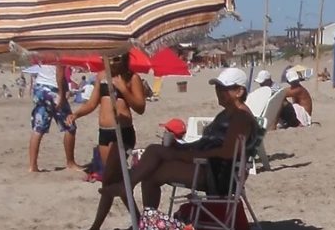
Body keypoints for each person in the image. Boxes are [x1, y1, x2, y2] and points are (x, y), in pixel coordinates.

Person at [101, 68, 260, 213]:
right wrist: (181, 147)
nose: (219, 91)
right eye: (217, 87)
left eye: (224, 88)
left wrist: (183, 154)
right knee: (153, 161)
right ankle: (145, 215)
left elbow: (225, 153)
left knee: (154, 161)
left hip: (217, 175)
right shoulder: (227, 114)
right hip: (208, 167)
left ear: (239, 91)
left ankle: (132, 196)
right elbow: (208, 144)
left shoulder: (241, 117)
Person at [68, 52, 147, 230]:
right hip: (104, 133)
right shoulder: (102, 76)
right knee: (116, 181)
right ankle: (139, 222)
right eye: (109, 57)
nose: (113, 61)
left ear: (125, 58)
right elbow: (92, 103)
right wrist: (76, 114)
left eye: (117, 58)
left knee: (110, 180)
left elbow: (140, 107)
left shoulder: (131, 77)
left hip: (122, 133)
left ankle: (96, 227)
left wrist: (124, 89)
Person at [27, 64, 83, 173]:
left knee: (38, 128)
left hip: (39, 87)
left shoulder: (45, 51)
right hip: (52, 88)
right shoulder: (58, 51)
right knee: (70, 126)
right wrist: (62, 94)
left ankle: (32, 166)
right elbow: (59, 72)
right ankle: (70, 163)